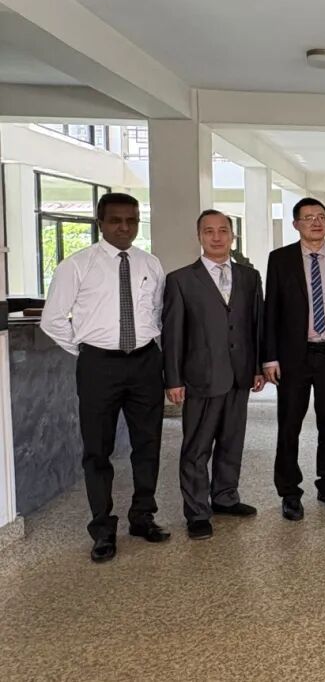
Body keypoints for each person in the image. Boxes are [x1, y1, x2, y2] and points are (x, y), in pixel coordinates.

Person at [40, 192, 169, 562]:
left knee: (148, 444)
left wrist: (148, 346)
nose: (124, 227)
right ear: (100, 223)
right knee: (98, 449)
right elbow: (52, 320)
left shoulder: (150, 263)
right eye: (115, 220)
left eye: (132, 220)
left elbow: (157, 312)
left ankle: (143, 517)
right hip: (98, 366)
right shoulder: (77, 265)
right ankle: (102, 529)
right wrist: (85, 351)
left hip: (145, 362)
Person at [162, 210, 265, 540]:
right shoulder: (180, 280)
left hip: (240, 374)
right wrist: (173, 378)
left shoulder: (249, 277)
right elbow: (173, 334)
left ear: (232, 236)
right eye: (209, 231)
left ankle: (225, 497)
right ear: (199, 236)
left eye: (223, 231)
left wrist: (258, 367)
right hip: (201, 376)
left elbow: (256, 325)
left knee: (232, 441)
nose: (217, 237)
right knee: (197, 447)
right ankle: (196, 512)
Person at [262, 198, 325, 521]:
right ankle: (289, 492)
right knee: (290, 425)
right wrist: (269, 357)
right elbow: (271, 310)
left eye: (321, 217)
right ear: (296, 224)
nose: (316, 222)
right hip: (292, 357)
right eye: (309, 217)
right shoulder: (280, 259)